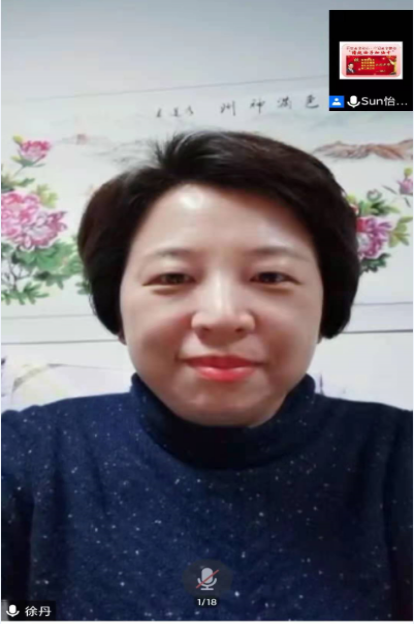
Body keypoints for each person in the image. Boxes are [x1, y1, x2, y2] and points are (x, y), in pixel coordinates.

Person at [2, 130, 412, 621]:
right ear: (117, 309)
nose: (221, 316)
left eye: (271, 277)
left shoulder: (397, 461)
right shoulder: (26, 458)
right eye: (173, 278)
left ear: (327, 303)